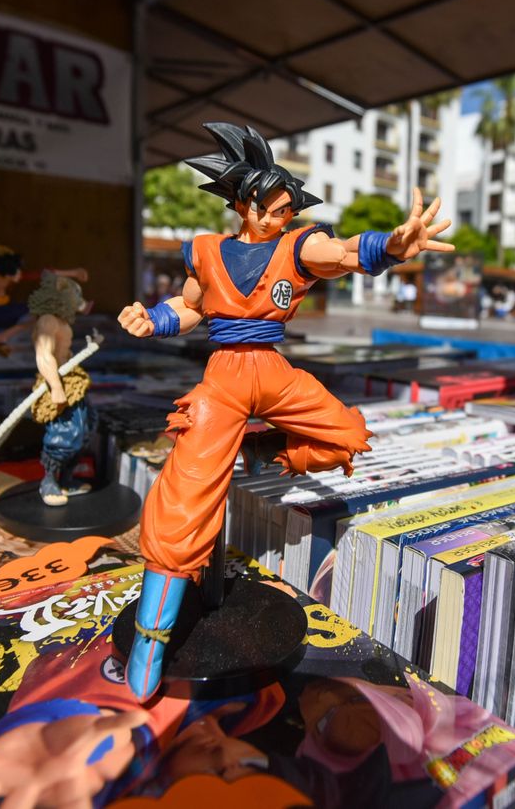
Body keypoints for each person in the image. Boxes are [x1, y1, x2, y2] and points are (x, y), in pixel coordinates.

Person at [116, 123, 452, 700]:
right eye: (270, 208)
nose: (279, 218)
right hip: (223, 378)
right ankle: (153, 636)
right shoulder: (207, 250)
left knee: (346, 434)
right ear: (243, 204)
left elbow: (345, 252)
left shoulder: (297, 246)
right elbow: (190, 307)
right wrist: (152, 320)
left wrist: (392, 247)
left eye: (287, 210)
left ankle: (252, 451)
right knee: (182, 501)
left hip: (272, 372)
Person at [28, 272, 97, 506]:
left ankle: (67, 478)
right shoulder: (47, 321)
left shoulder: (62, 321)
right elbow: (43, 355)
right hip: (56, 383)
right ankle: (49, 481)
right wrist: (56, 387)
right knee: (63, 434)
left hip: (73, 382)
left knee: (85, 428)